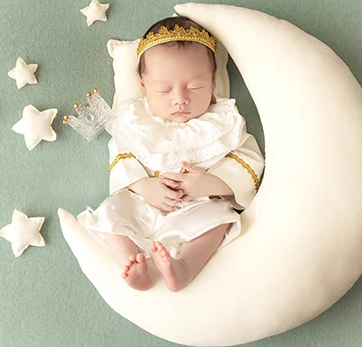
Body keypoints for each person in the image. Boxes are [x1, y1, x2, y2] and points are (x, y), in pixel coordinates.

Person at [77, 17, 265, 292]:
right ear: (143, 85)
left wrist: (211, 184)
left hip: (198, 205)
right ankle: (131, 263)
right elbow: (120, 155)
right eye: (163, 89)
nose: (180, 98)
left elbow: (250, 160)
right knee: (111, 211)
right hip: (143, 204)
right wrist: (142, 185)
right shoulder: (134, 119)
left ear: (213, 80)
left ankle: (185, 267)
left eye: (195, 87)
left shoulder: (224, 121)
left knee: (220, 219)